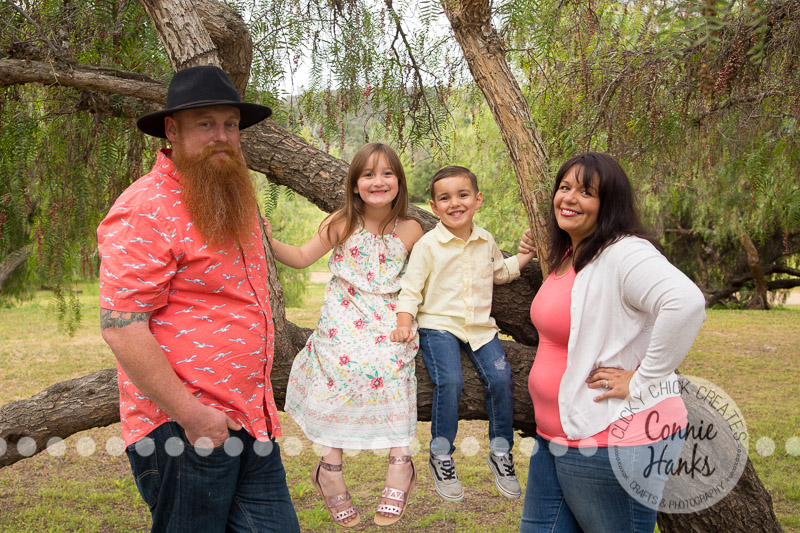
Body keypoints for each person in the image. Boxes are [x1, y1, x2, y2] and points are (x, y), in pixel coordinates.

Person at [98, 65, 300, 532]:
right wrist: (193, 417)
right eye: (205, 124)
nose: (222, 136)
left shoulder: (229, 194)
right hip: (186, 429)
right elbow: (122, 327)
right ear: (172, 130)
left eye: (230, 124)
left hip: (251, 419)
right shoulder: (144, 208)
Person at [519, 152, 706, 533]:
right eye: (564, 187)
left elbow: (685, 303)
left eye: (586, 192)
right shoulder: (573, 253)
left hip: (612, 439)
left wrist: (642, 378)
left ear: (609, 205)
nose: (569, 198)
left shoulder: (624, 252)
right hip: (556, 437)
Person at [266, 142, 424, 527]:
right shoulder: (341, 222)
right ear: (355, 185)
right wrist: (266, 240)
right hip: (345, 315)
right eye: (368, 174)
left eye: (387, 173)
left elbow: (421, 281)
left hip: (389, 317)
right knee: (343, 363)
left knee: (391, 364)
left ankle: (400, 464)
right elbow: (303, 258)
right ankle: (329, 467)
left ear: (400, 182)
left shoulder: (411, 229)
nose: (378, 181)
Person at [390, 165, 535, 502]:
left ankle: (500, 452)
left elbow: (500, 272)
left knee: (501, 380)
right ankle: (441, 455)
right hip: (438, 326)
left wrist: (525, 255)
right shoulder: (428, 245)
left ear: (477, 199)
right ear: (434, 205)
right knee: (450, 382)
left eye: (462, 195)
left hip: (480, 329)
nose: (454, 203)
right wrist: (403, 322)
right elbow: (410, 289)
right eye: (445, 198)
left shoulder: (486, 241)